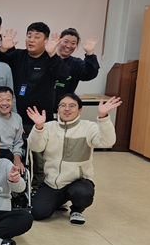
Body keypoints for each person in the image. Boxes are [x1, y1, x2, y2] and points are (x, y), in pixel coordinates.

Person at [27, 94, 120, 225]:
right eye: (63, 106)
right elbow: (35, 147)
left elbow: (107, 142)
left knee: (82, 193)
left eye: (72, 106)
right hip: (52, 183)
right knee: (37, 213)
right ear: (57, 109)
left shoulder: (89, 127)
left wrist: (103, 117)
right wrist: (38, 127)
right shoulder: (48, 127)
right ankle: (60, 200)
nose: (67, 109)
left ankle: (77, 210)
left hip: (77, 182)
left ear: (79, 110)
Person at [0, 22, 68, 130]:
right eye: (29, 36)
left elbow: (64, 75)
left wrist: (53, 54)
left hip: (42, 119)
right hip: (16, 118)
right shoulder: (18, 55)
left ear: (46, 40)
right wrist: (3, 49)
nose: (31, 40)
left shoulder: (50, 59)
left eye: (37, 37)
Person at [54, 28, 100, 106]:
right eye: (66, 42)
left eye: (73, 43)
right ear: (59, 41)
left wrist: (90, 53)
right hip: (42, 108)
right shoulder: (47, 59)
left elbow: (89, 74)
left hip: (65, 108)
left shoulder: (76, 63)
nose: (68, 46)